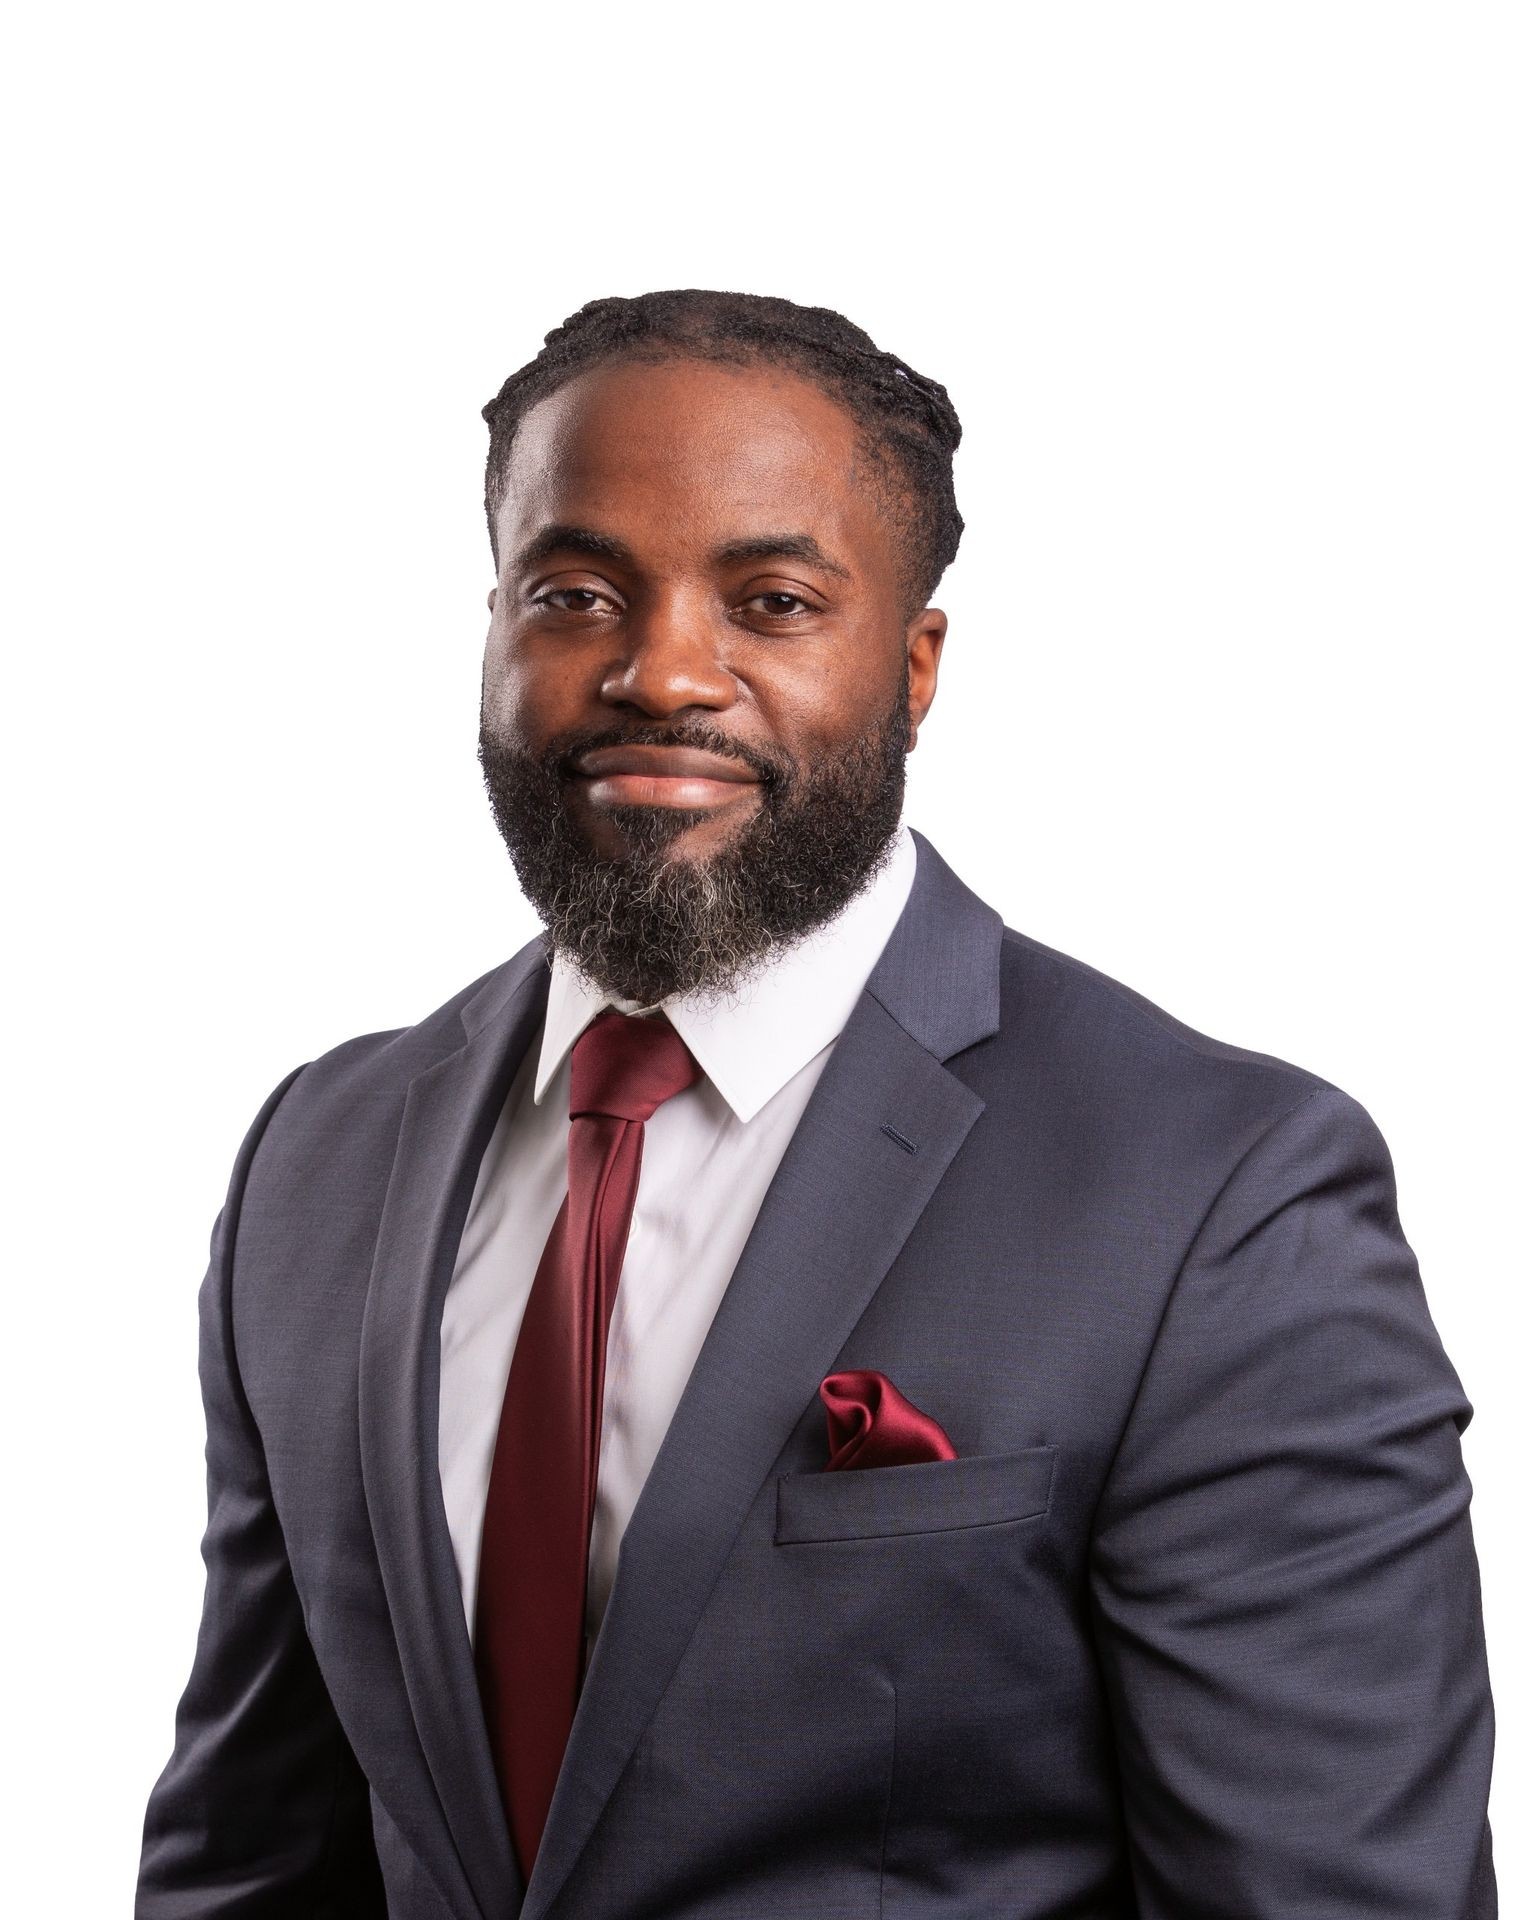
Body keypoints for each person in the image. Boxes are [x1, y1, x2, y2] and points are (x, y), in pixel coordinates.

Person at [136, 289, 1497, 1919]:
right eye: (577, 591)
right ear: (494, 623)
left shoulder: (1218, 1198)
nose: (661, 673)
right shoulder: (319, 1158)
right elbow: (253, 1859)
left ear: (916, 668)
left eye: (771, 601)